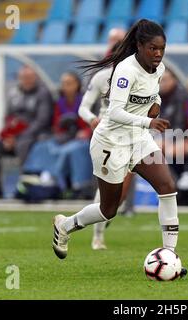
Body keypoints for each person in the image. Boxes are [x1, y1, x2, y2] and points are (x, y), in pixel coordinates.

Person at [51, 19, 187, 278]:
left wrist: (155, 103)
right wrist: (150, 120)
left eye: (162, 48)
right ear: (139, 46)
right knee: (108, 209)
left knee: (167, 187)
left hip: (138, 138)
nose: (158, 54)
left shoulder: (159, 68)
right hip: (110, 142)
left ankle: (170, 255)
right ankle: (65, 225)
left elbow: (153, 94)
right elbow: (113, 113)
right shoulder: (125, 70)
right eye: (152, 48)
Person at [78, 42, 137, 250]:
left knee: (119, 196)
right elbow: (83, 107)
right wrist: (92, 119)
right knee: (107, 190)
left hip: (131, 137)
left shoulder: (141, 77)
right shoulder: (102, 77)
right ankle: (97, 236)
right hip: (107, 136)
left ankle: (103, 217)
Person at [0, 65, 53, 198]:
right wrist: (8, 136)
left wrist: (19, 137)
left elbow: (42, 120)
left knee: (23, 145)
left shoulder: (43, 93)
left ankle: (24, 188)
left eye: (29, 77)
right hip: (16, 136)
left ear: (36, 78)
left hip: (36, 135)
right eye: (23, 77)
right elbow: (9, 118)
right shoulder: (14, 93)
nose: (26, 80)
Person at [22, 72, 92, 196]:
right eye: (64, 84)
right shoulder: (60, 102)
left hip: (82, 139)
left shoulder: (85, 101)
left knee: (72, 151)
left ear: (77, 85)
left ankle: (78, 186)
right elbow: (56, 126)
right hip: (65, 138)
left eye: (69, 83)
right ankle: (38, 179)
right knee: (42, 147)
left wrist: (84, 132)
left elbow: (91, 124)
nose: (66, 86)